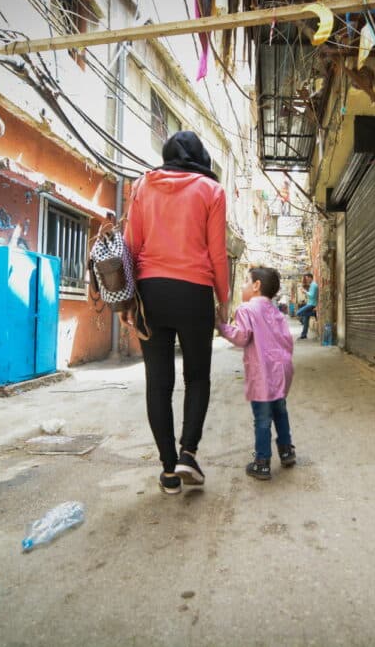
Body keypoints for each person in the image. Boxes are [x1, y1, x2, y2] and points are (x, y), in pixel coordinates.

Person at [121, 131, 229, 494]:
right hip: (195, 292)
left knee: (158, 382)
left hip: (150, 292)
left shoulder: (141, 186)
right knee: (197, 377)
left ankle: (168, 471)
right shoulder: (211, 191)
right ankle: (188, 453)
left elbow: (130, 247)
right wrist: (223, 298)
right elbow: (217, 253)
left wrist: (128, 300)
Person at [217, 266, 296, 481]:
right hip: (282, 370)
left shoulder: (246, 309)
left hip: (262, 373)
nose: (242, 286)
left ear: (256, 286)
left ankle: (262, 462)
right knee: (280, 411)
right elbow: (288, 342)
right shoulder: (277, 312)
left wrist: (222, 327)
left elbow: (242, 337)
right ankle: (287, 451)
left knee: (262, 418)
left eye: (245, 281)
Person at [296, 272, 318, 339]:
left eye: (307, 278)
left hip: (312, 304)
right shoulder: (311, 285)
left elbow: (312, 295)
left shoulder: (314, 285)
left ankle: (314, 313)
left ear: (310, 277)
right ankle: (303, 335)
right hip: (309, 303)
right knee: (306, 320)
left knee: (298, 312)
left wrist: (305, 291)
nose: (306, 280)